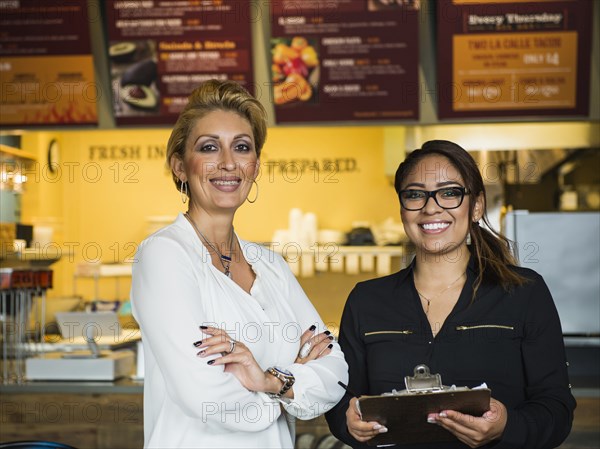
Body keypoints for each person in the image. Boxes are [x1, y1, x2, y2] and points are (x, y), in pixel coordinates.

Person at [131, 80, 348, 448]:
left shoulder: (271, 265)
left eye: (242, 147)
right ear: (180, 166)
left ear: (255, 166)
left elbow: (336, 371)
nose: (228, 163)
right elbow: (204, 396)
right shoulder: (164, 255)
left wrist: (268, 381)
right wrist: (287, 394)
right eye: (209, 147)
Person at [325, 140, 575, 449]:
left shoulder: (524, 293)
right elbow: (340, 400)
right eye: (415, 194)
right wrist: (347, 423)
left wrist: (506, 425)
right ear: (403, 208)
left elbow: (556, 409)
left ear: (477, 206)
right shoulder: (366, 300)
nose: (431, 207)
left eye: (449, 193)